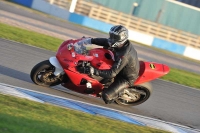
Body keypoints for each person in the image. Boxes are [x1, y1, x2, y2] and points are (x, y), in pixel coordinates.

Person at [77, 25, 140, 104]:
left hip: (124, 77)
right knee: (103, 51)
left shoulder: (124, 55)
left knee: (106, 96)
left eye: (115, 37)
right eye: (111, 36)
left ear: (121, 39)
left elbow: (112, 73)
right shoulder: (120, 44)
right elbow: (105, 41)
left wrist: (93, 70)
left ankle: (119, 93)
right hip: (118, 64)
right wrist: (90, 40)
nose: (111, 39)